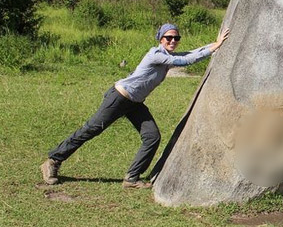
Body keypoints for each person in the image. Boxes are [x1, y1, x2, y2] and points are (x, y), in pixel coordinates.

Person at [40, 23, 230, 188]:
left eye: (176, 38)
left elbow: (189, 53)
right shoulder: (156, 55)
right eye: (169, 38)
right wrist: (216, 47)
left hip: (135, 103)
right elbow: (185, 60)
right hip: (119, 98)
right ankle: (53, 160)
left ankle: (131, 178)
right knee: (91, 129)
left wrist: (215, 43)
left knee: (152, 136)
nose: (173, 41)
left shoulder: (166, 57)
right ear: (160, 39)